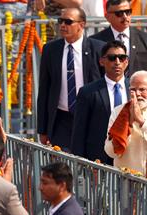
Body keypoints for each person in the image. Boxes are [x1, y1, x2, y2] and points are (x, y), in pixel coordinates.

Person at [37, 8, 104, 148]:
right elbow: (44, 89)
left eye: (68, 22)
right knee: (63, 166)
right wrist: (42, 129)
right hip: (62, 119)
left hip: (91, 117)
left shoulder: (98, 49)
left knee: (90, 164)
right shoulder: (50, 50)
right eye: (60, 21)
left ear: (82, 25)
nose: (62, 25)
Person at [71, 40, 129, 164]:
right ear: (102, 61)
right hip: (98, 159)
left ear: (126, 61)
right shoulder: (88, 92)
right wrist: (79, 162)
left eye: (122, 58)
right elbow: (79, 131)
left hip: (129, 156)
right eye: (112, 58)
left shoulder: (135, 89)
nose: (117, 62)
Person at [91, 0, 147, 83]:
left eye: (128, 12)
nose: (125, 17)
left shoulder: (145, 39)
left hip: (138, 93)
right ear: (107, 17)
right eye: (119, 14)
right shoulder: (96, 41)